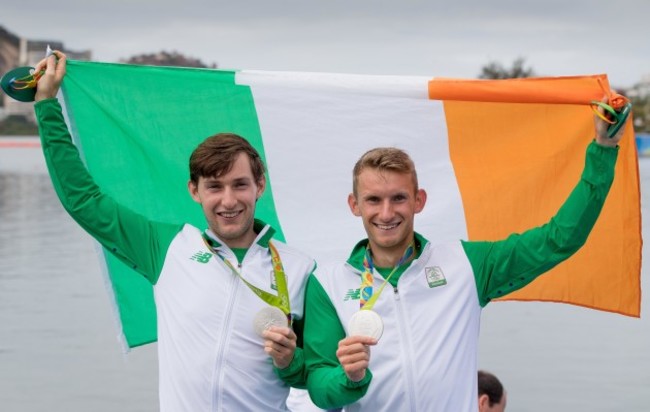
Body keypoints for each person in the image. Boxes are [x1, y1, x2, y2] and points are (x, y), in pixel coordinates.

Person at [33, 51, 315, 411]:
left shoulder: (300, 269)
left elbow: (318, 375)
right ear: (194, 191)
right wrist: (46, 106)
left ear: (260, 186)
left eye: (240, 184)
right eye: (214, 186)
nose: (228, 200)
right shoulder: (168, 248)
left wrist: (293, 361)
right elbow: (84, 201)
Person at [303, 97, 627, 410]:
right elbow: (318, 386)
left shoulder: (466, 265)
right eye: (374, 200)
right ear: (354, 205)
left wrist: (603, 149)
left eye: (398, 198)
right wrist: (349, 377)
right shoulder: (328, 284)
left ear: (419, 201)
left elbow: (560, 238)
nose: (386, 213)